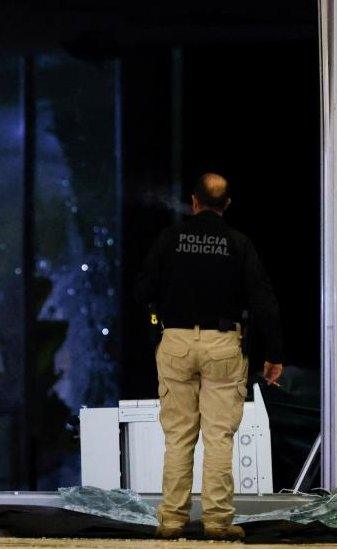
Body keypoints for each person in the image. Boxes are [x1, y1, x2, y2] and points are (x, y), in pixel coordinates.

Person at [135, 172, 284, 541]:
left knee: (179, 437)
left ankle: (171, 520)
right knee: (218, 437)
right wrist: (274, 352)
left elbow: (141, 290)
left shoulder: (169, 239)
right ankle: (217, 522)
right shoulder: (239, 243)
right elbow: (264, 301)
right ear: (226, 204)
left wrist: (160, 329)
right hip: (223, 344)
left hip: (177, 341)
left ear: (194, 202)